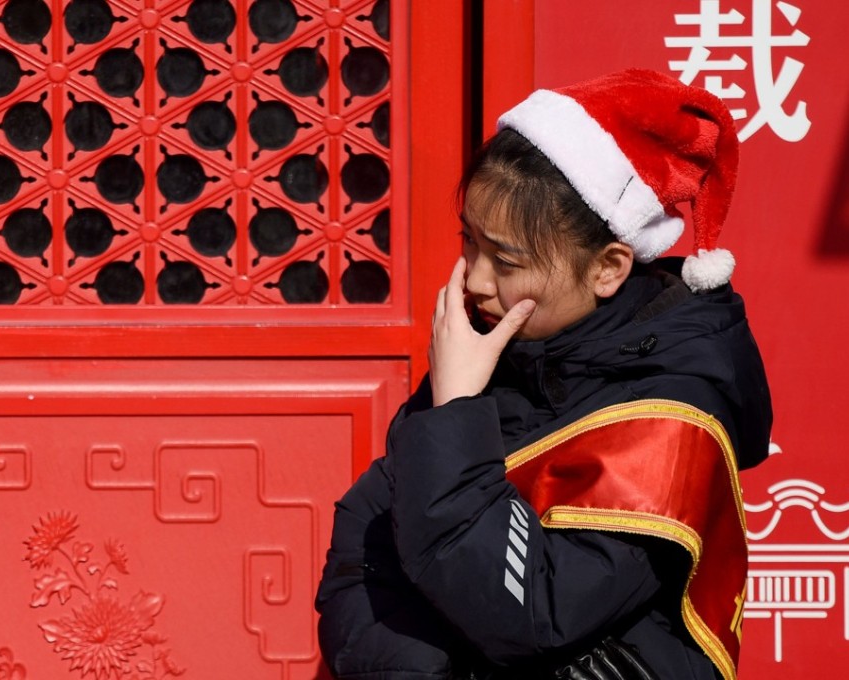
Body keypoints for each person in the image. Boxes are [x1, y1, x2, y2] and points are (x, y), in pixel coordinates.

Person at [315, 69, 773, 680]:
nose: (475, 280)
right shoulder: (501, 349)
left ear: (608, 269)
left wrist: (453, 412)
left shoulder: (669, 416)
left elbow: (527, 614)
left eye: (504, 259)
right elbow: (363, 549)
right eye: (468, 242)